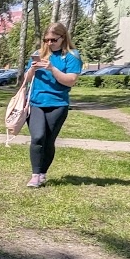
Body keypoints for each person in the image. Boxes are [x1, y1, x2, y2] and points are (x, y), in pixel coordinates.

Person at [24, 22, 82, 188]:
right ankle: (35, 175)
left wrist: (51, 68)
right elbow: (27, 79)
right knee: (37, 137)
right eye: (46, 40)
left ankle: (42, 173)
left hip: (58, 104)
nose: (49, 43)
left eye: (53, 40)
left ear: (63, 38)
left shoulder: (72, 56)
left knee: (48, 140)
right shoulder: (38, 54)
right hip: (36, 102)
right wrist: (33, 69)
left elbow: (70, 81)